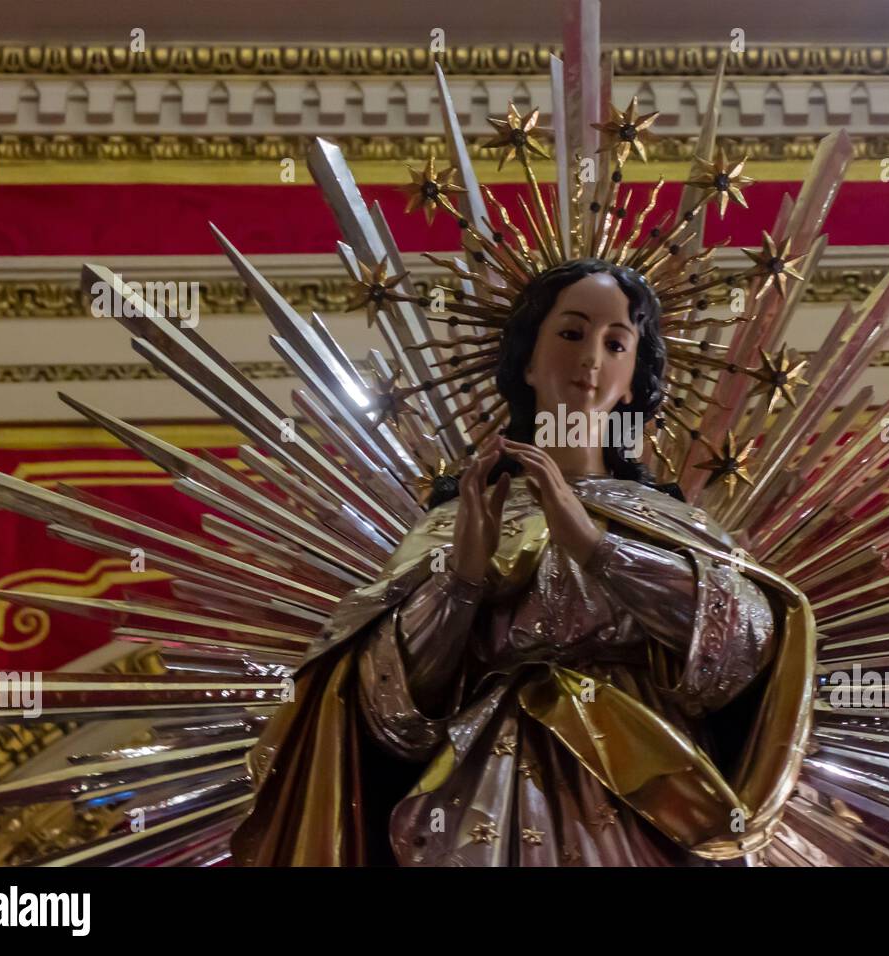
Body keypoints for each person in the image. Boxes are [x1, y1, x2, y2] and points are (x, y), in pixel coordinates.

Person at [229, 257, 816, 866]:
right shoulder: (459, 520)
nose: (591, 357)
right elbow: (389, 710)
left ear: (634, 378)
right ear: (528, 361)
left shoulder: (674, 526)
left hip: (651, 789)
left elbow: (746, 654)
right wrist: (461, 582)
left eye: (616, 342)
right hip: (483, 792)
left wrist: (595, 546)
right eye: (570, 333)